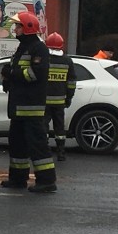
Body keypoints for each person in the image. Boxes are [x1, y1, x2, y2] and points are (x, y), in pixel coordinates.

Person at [0, 11, 57, 193]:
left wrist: (13, 74)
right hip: (18, 107)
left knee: (38, 146)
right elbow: (19, 71)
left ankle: (47, 181)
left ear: (27, 28)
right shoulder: (22, 48)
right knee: (17, 144)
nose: (14, 28)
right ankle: (17, 179)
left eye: (17, 26)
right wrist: (7, 78)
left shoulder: (38, 48)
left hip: (31, 108)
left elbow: (36, 74)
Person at [44, 32, 76, 162]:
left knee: (43, 126)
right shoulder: (67, 61)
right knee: (59, 128)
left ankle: (44, 151)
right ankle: (61, 153)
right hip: (59, 101)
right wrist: (69, 97)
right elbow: (72, 82)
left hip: (44, 101)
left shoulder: (44, 59)